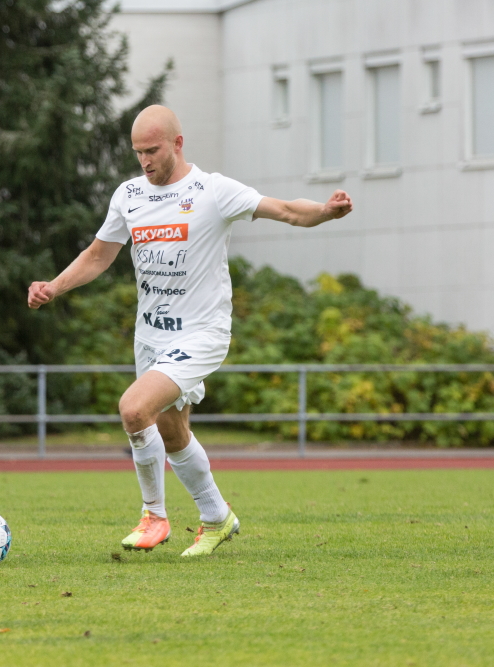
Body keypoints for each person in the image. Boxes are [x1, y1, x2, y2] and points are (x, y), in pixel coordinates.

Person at [28, 105, 353, 557]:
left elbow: (284, 210)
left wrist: (325, 211)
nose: (145, 161)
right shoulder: (128, 195)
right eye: (138, 152)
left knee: (133, 409)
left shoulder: (212, 191)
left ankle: (154, 516)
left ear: (177, 144)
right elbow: (98, 255)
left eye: (152, 150)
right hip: (150, 336)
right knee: (172, 430)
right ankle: (218, 518)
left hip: (201, 333)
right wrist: (54, 287)